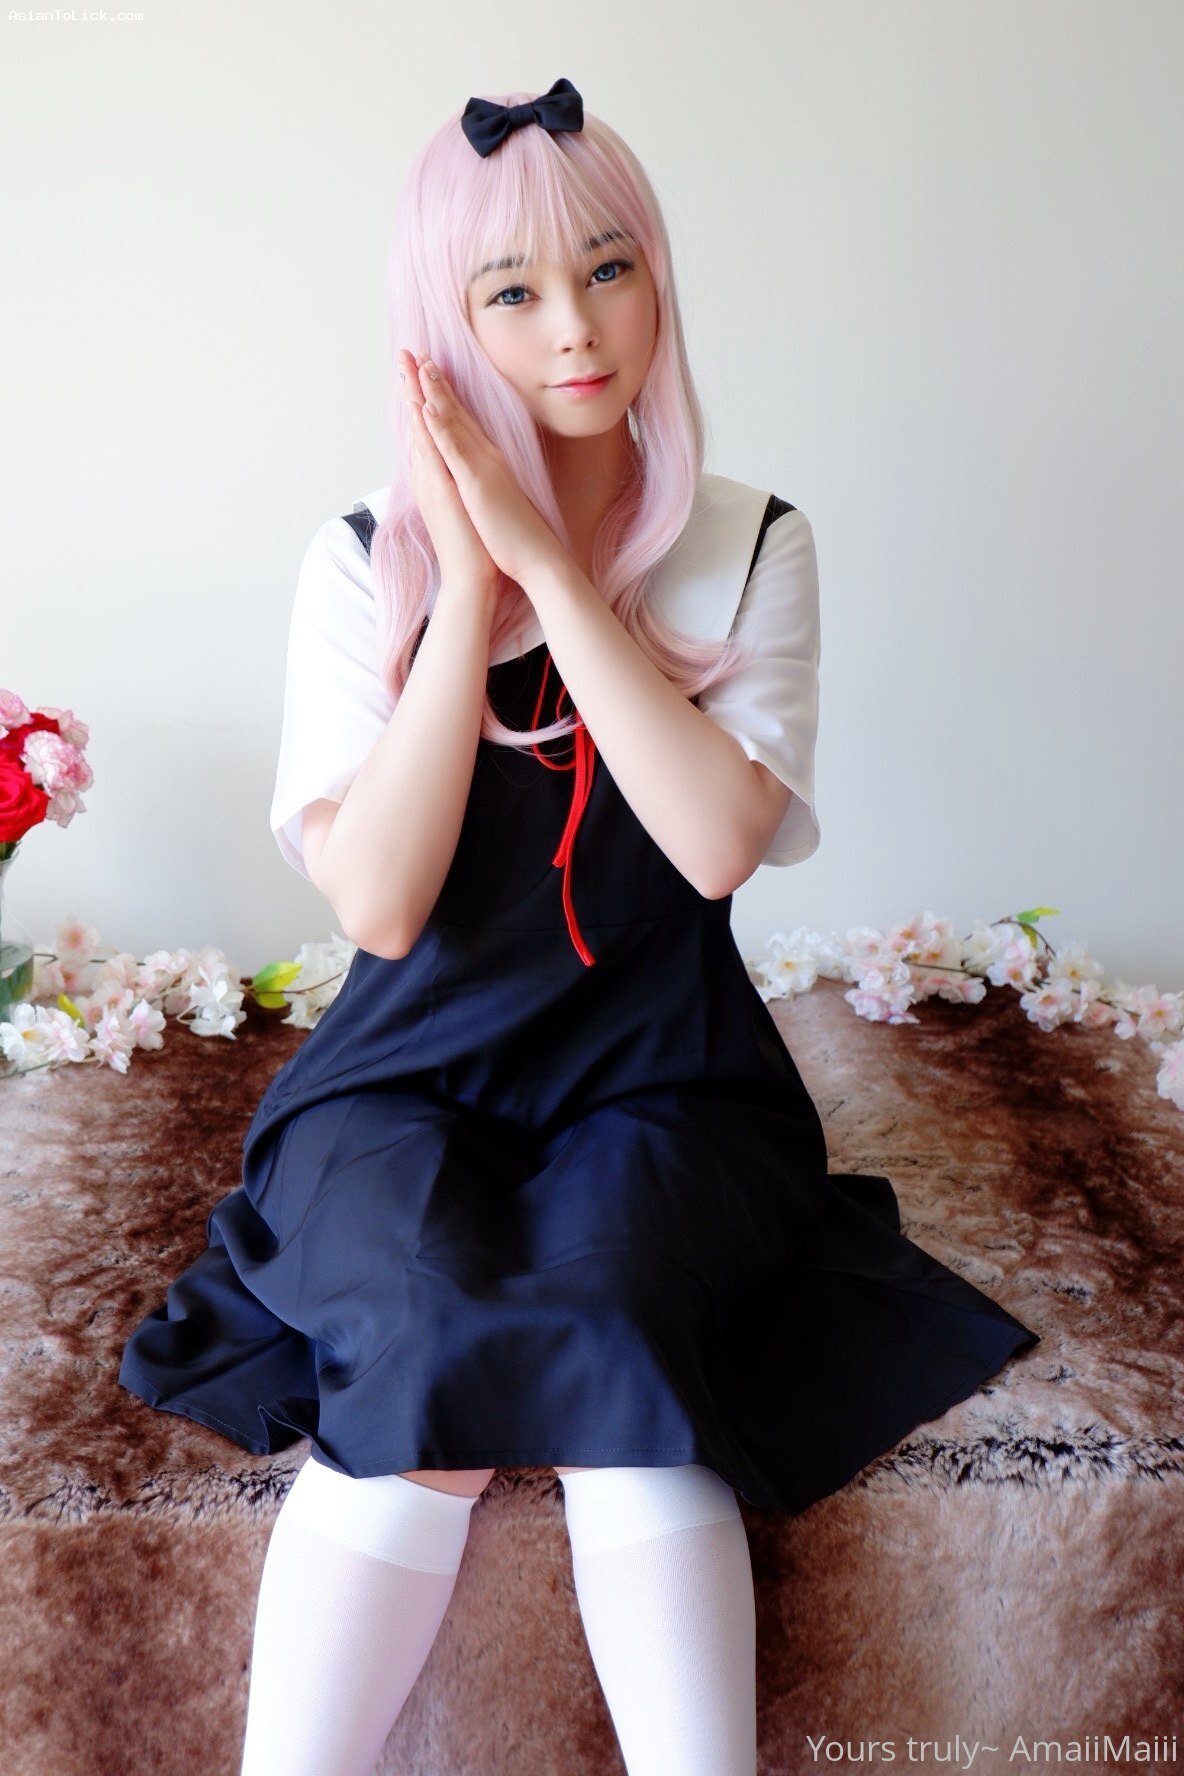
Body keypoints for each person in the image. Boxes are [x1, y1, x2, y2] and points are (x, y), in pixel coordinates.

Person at [117, 78, 1040, 1776]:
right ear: (442, 326)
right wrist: (468, 584)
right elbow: (381, 900)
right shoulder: (359, 565)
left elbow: (713, 849)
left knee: (623, 1342)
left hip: (666, 1079)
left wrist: (555, 568)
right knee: (417, 1334)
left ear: (658, 275)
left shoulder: (751, 546)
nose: (576, 329)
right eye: (513, 292)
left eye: (610, 269)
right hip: (397, 1085)